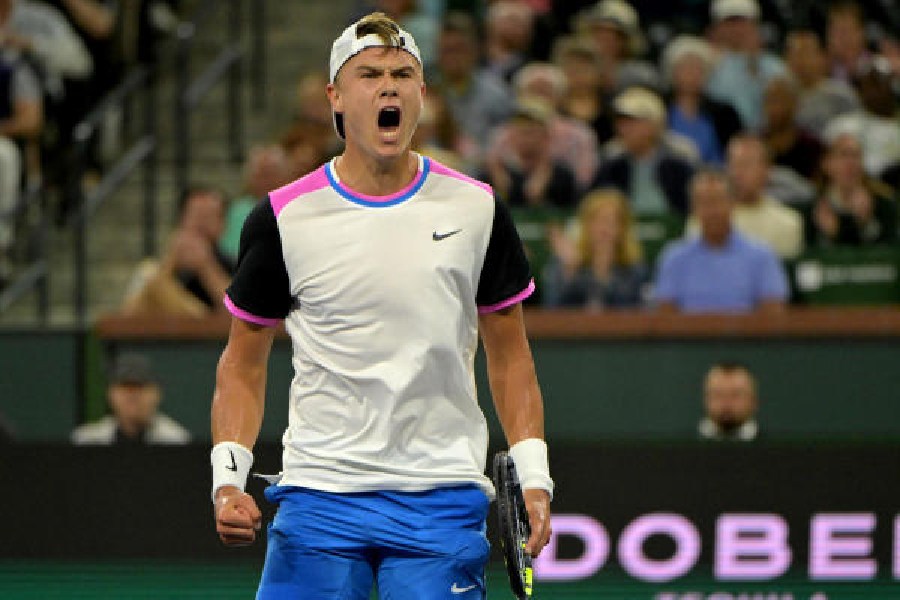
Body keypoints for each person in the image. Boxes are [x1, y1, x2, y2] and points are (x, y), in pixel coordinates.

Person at [210, 13, 553, 600]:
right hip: (318, 495)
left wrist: (535, 478)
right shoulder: (283, 217)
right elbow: (242, 361)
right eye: (369, 74)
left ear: (422, 94)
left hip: (440, 496)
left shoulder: (478, 210)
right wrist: (227, 481)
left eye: (403, 73)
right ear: (335, 97)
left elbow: (511, 355)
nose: (388, 86)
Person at [653, 168, 789, 314]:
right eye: (704, 203)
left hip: (746, 335)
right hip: (689, 336)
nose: (712, 211)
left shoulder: (762, 256)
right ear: (694, 209)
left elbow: (773, 315)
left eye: (717, 201)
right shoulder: (674, 258)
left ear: (732, 204)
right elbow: (665, 318)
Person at [121, 185, 235, 317]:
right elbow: (128, 314)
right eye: (195, 215)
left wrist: (206, 267)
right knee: (149, 275)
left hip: (212, 333)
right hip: (162, 331)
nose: (201, 223)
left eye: (208, 216)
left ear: (223, 224)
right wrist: (170, 262)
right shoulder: (156, 267)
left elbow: (237, 313)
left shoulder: (235, 265)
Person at [593, 86, 696, 216]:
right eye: (620, 123)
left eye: (632, 122)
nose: (623, 129)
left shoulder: (680, 156)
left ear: (654, 124)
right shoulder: (611, 161)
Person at [543, 188, 648, 308]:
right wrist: (570, 270)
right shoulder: (566, 260)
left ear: (623, 228)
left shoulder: (634, 266)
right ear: (584, 226)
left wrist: (603, 272)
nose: (604, 229)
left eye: (611, 222)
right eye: (598, 221)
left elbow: (634, 310)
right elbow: (552, 307)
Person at [71, 352, 191, 444]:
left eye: (140, 387)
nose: (132, 395)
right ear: (110, 393)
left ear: (157, 394)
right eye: (125, 387)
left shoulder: (176, 440)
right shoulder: (87, 440)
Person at [804, 131, 898, 247]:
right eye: (844, 155)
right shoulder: (813, 208)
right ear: (826, 164)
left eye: (856, 156)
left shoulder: (883, 205)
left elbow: (891, 252)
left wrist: (866, 224)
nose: (851, 163)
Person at [705, 0, 787, 131]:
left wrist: (754, 64)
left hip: (766, 136)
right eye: (730, 23)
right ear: (718, 27)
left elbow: (782, 103)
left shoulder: (774, 66)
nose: (737, 29)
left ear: (754, 25)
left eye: (742, 22)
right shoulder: (708, 63)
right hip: (721, 134)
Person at [662, 35, 742, 166]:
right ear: (672, 72)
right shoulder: (660, 108)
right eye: (685, 67)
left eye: (697, 68)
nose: (691, 74)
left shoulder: (725, 113)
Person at [698, 362, 760, 442]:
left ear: (753, 401)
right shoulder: (684, 448)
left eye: (735, 395)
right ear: (706, 399)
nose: (726, 403)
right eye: (718, 394)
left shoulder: (773, 449)